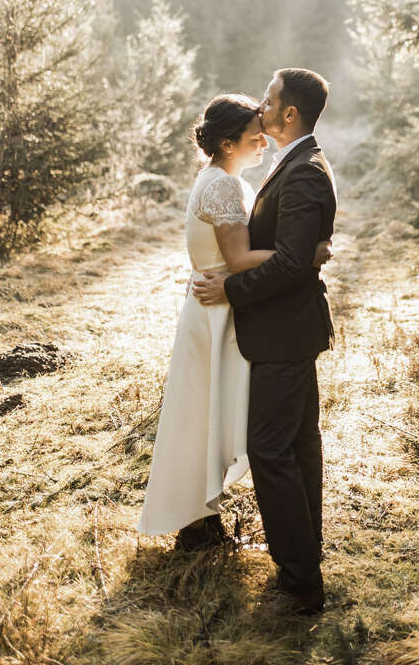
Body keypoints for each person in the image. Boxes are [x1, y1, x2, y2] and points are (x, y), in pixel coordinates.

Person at [136, 93, 331, 550]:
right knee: (206, 415)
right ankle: (195, 520)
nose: (262, 138)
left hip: (221, 307)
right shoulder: (223, 186)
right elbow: (239, 258)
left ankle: (201, 517)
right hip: (217, 312)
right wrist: (306, 254)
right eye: (252, 135)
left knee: (206, 415)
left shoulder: (225, 179)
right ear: (227, 144)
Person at [194, 68, 337, 615]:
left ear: (290, 114)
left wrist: (230, 289)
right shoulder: (294, 163)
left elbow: (289, 265)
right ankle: (305, 564)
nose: (262, 104)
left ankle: (299, 581)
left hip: (283, 333)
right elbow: (295, 253)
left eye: (270, 99)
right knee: (299, 446)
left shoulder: (304, 174)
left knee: (271, 450)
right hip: (289, 331)